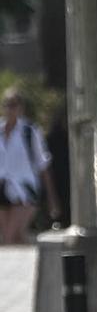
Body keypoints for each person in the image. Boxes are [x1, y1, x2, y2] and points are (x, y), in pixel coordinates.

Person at [1, 88, 61, 242]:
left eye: (13, 105)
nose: (10, 109)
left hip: (25, 189)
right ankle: (28, 260)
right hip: (2, 188)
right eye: (7, 104)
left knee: (9, 235)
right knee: (15, 237)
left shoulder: (30, 131)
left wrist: (51, 198)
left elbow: (43, 165)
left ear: (21, 108)